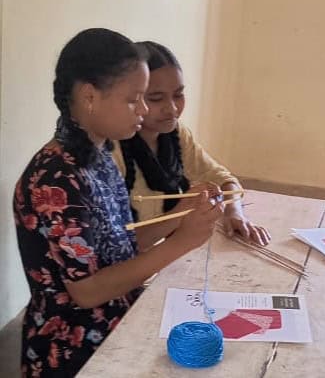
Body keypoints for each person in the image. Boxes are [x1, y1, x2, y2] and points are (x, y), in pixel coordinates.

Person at [14, 29, 221, 377]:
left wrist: (179, 213)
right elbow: (88, 291)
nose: (142, 110)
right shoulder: (56, 179)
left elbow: (118, 246)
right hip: (72, 346)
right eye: (133, 99)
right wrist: (183, 241)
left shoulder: (97, 153)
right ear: (89, 96)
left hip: (117, 314)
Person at [113, 41, 270, 246]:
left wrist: (234, 212)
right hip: (133, 266)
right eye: (156, 98)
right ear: (134, 99)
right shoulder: (113, 150)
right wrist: (182, 212)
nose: (172, 109)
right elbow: (120, 245)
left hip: (166, 252)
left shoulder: (175, 134)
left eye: (178, 95)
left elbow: (223, 179)